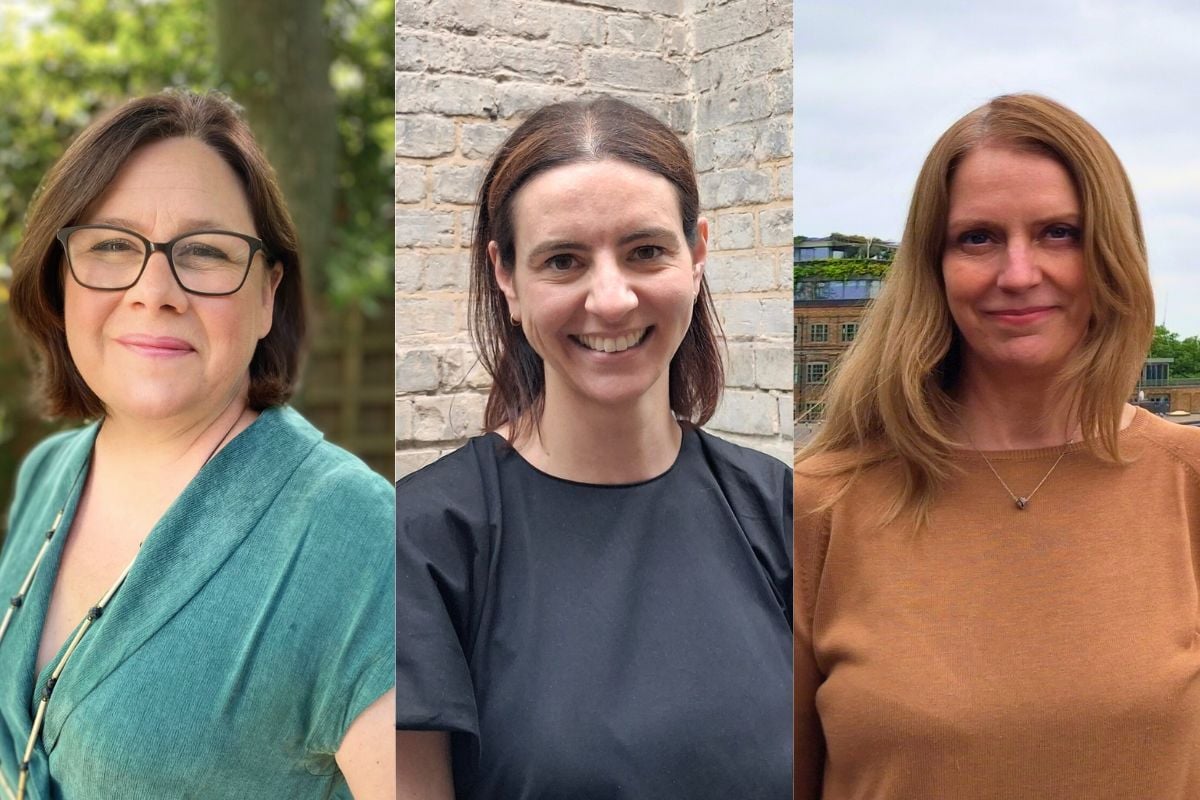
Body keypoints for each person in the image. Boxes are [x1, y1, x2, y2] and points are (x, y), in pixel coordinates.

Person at [794, 93, 1199, 799]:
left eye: (1059, 233)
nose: (1018, 274)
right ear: (934, 266)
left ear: (1111, 252)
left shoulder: (1186, 482)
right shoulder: (819, 505)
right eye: (977, 237)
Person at [0, 91, 393, 799]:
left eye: (205, 252)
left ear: (268, 294)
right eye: (112, 245)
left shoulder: (362, 539)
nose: (156, 291)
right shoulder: (48, 473)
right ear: (59, 281)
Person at [396, 97, 792, 799]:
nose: (610, 300)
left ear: (696, 256)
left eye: (645, 251)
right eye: (564, 261)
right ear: (507, 277)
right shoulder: (419, 540)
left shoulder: (784, 511)